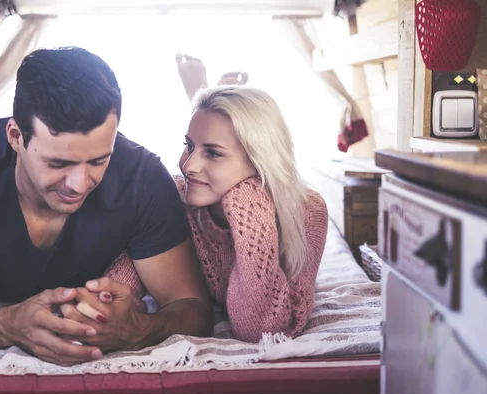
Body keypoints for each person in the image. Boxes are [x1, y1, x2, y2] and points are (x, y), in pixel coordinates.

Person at [0, 47, 212, 366]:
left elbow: (192, 308)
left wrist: (138, 329)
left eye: (99, 160)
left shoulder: (142, 178)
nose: (78, 184)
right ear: (16, 136)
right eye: (58, 163)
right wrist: (7, 325)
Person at [82, 85, 329, 343]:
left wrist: (247, 204)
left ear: (260, 160)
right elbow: (115, 289)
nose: (189, 165)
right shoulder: (174, 194)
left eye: (212, 153)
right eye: (189, 145)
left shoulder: (307, 211)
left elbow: (263, 331)